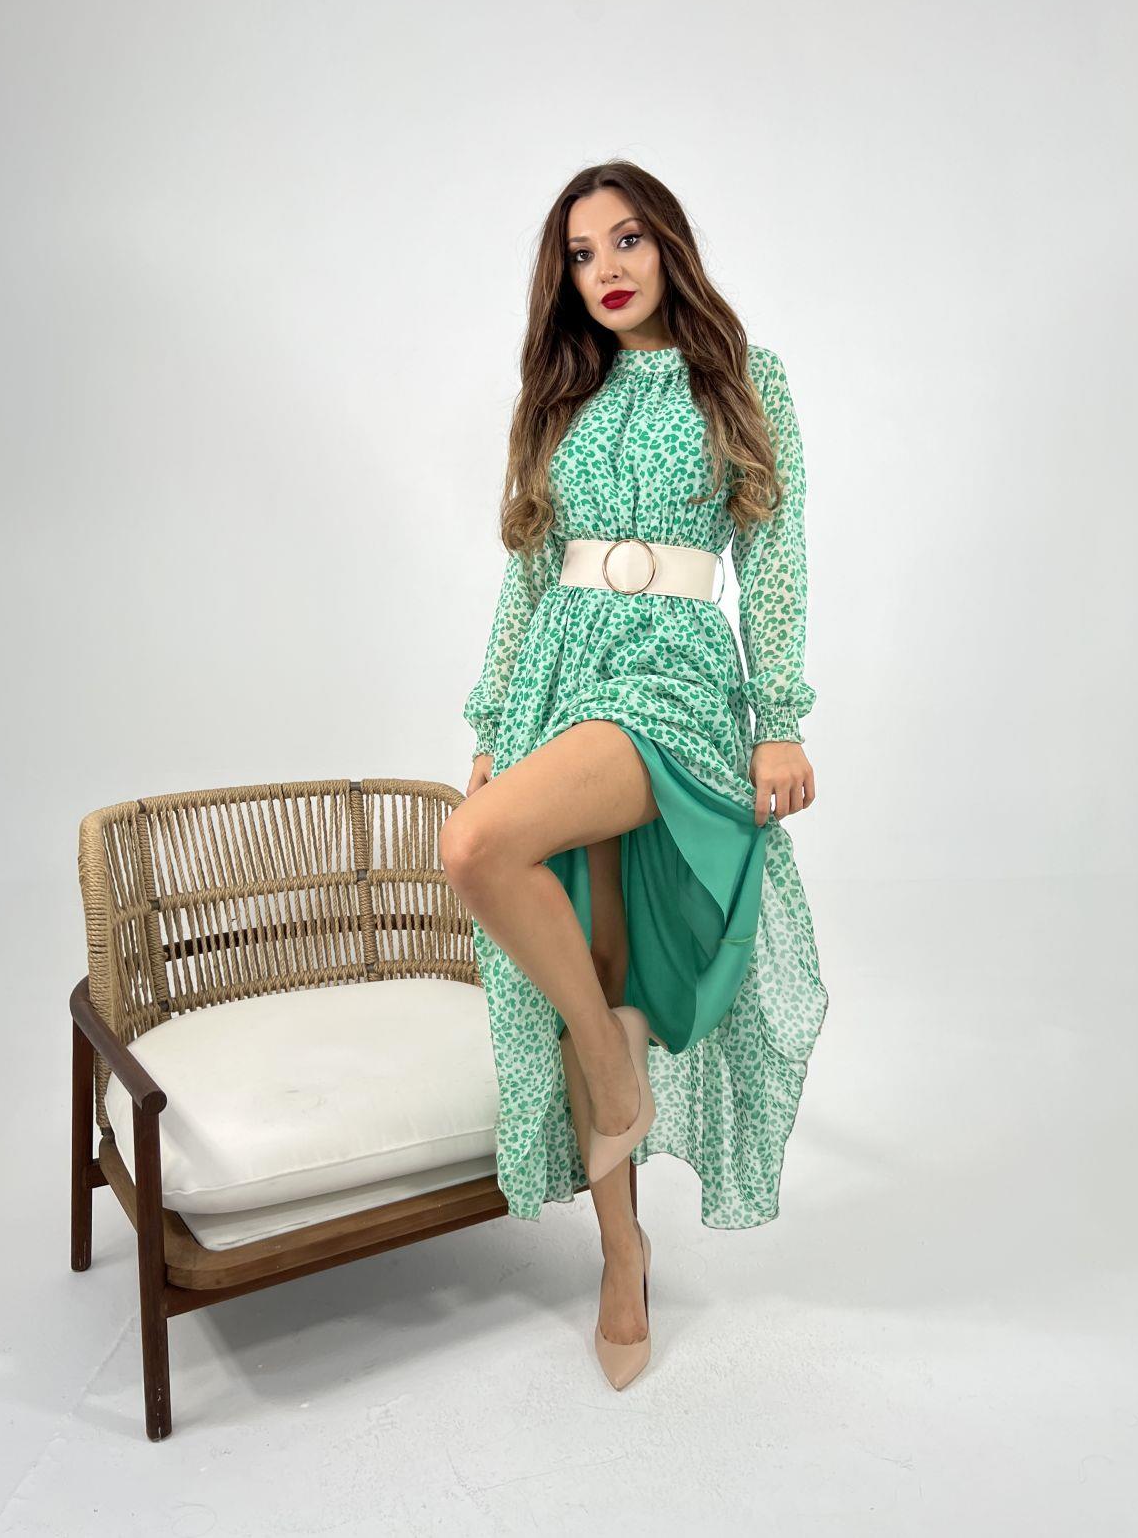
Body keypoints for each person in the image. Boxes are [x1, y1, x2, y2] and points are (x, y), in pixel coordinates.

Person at [440, 159, 829, 1390]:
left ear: (668, 246)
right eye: (579, 253)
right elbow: (525, 571)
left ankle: (616, 1078)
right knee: (589, 967)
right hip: (559, 672)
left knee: (473, 850)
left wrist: (779, 717)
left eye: (625, 241)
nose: (604, 269)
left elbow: (774, 553)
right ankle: (622, 1255)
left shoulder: (744, 378)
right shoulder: (562, 394)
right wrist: (493, 716)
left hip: (671, 677)